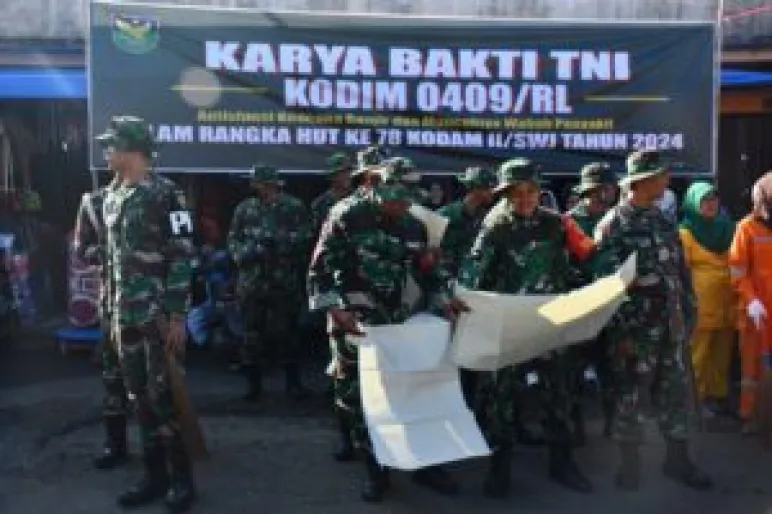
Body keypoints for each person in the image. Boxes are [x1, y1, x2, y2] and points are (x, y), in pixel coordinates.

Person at [308, 167, 468, 503]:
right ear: (373, 186)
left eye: (406, 201)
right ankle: (376, 470)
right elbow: (319, 271)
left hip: (400, 322)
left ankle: (424, 465)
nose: (401, 207)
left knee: (414, 393)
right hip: (357, 322)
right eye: (395, 200)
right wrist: (335, 310)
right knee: (365, 399)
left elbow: (427, 270)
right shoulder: (346, 216)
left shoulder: (414, 223)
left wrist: (444, 298)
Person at [459, 158, 596, 497]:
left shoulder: (556, 224)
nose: (524, 199)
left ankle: (562, 463)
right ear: (505, 195)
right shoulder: (495, 227)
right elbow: (473, 275)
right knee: (500, 399)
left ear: (539, 192)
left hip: (549, 324)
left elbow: (579, 262)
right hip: (510, 325)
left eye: (530, 192)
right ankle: (499, 469)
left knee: (558, 394)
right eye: (516, 193)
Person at [594, 149, 713, 492]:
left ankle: (677, 460)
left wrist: (688, 310)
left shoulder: (663, 219)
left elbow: (679, 271)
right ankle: (629, 465)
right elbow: (605, 288)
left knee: (674, 392)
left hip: (671, 325)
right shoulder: (614, 225)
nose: (667, 180)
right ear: (642, 181)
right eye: (661, 175)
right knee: (630, 395)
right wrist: (621, 333)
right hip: (635, 331)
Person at [97, 115, 197, 511]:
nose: (106, 151)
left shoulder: (167, 194)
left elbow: (183, 255)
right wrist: (109, 310)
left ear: (132, 149)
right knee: (138, 397)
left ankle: (182, 481)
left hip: (156, 316)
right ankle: (154, 478)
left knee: (163, 397)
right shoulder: (112, 196)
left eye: (111, 145)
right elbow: (110, 261)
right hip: (123, 315)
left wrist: (177, 315)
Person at [227, 164, 312, 402]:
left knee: (289, 333)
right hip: (252, 281)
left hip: (283, 280)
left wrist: (280, 242)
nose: (256, 187)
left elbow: (307, 236)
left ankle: (293, 384)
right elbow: (233, 240)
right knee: (251, 334)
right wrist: (248, 251)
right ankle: (253, 386)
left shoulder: (293, 207)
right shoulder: (245, 208)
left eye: (260, 183)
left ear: (271, 184)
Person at [73, 170, 128, 471]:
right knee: (112, 377)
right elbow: (80, 247)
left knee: (157, 383)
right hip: (112, 306)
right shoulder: (93, 202)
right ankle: (115, 445)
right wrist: (105, 251)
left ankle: (165, 450)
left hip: (151, 307)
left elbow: (180, 250)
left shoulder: (160, 194)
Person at [436, 166, 496, 409]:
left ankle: (477, 406)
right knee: (453, 356)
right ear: (477, 189)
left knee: (478, 356)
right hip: (451, 298)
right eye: (489, 188)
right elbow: (434, 261)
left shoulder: (490, 217)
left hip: (479, 297)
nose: (493, 193)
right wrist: (446, 294)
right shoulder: (445, 217)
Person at [566, 162, 616, 442]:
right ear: (593, 190)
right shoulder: (567, 223)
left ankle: (613, 425)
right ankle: (575, 428)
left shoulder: (616, 219)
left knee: (611, 368)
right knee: (572, 370)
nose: (610, 192)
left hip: (609, 307)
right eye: (605, 188)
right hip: (579, 307)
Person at [679, 182, 736, 417]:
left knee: (722, 354)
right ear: (693, 203)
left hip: (728, 302)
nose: (710, 204)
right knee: (698, 354)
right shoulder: (685, 233)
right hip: (700, 304)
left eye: (714, 199)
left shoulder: (729, 228)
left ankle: (718, 397)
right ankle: (696, 401)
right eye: (704, 200)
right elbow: (681, 271)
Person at [729, 172, 772, 433]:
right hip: (757, 313)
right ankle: (750, 417)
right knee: (752, 368)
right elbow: (737, 271)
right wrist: (751, 300)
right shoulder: (746, 228)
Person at [310, 152, 353, 234]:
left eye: (349, 172)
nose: (348, 176)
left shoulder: (360, 199)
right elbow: (316, 234)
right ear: (332, 176)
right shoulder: (320, 204)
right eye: (342, 173)